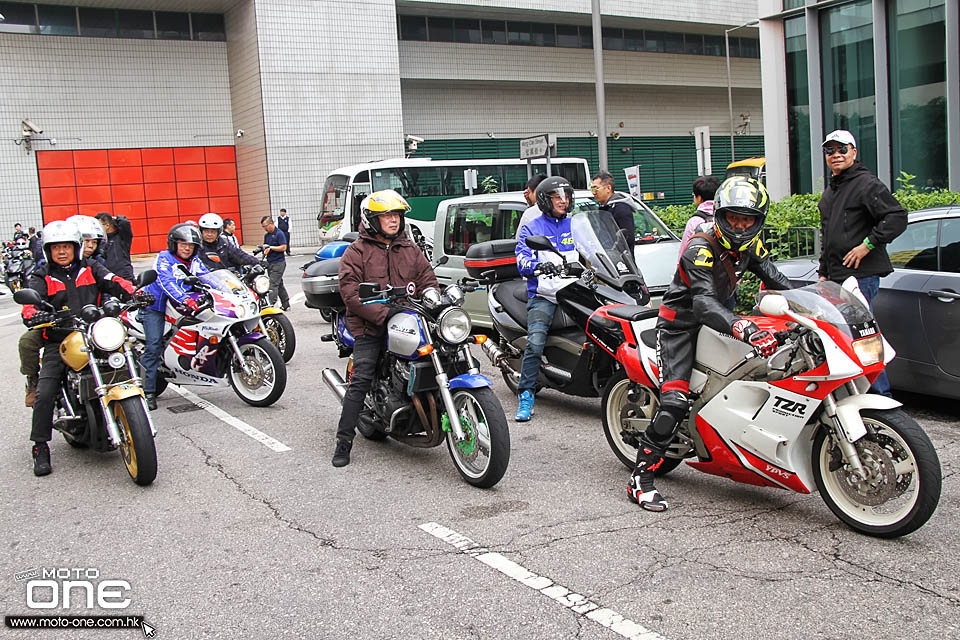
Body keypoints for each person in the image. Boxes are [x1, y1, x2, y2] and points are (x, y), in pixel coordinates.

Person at [629, 177, 792, 512]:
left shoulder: (751, 246)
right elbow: (703, 303)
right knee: (674, 400)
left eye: (748, 220)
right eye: (734, 218)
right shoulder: (699, 248)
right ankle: (640, 479)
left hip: (721, 321)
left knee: (765, 372)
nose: (741, 226)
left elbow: (777, 279)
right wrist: (742, 326)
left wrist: (812, 306)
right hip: (681, 326)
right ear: (721, 215)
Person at [23, 220, 141, 476]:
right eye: (56, 248)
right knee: (45, 392)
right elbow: (31, 298)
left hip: (95, 334)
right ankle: (40, 446)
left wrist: (135, 293)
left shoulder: (91, 267)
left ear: (75, 248)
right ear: (48, 251)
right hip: (60, 339)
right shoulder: (41, 275)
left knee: (127, 361)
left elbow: (114, 280)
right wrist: (33, 313)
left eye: (66, 246)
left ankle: (132, 416)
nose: (62, 252)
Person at [333, 190, 439, 468]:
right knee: (362, 378)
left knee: (449, 354)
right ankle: (343, 441)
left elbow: (428, 279)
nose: (393, 221)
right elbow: (350, 293)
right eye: (386, 216)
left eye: (397, 215)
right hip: (371, 323)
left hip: (408, 318)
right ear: (371, 220)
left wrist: (434, 299)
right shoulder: (357, 252)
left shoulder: (410, 249)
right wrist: (382, 313)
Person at [817, 130, 907, 398]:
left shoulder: (866, 183)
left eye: (842, 149)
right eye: (830, 150)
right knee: (845, 340)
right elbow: (829, 236)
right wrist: (823, 272)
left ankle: (881, 399)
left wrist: (867, 245)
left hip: (860, 277)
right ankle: (857, 399)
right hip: (835, 276)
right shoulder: (832, 191)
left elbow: (896, 217)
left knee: (863, 339)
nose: (836, 155)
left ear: (854, 153)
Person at [514, 176, 579, 422]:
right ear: (544, 200)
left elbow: (593, 250)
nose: (564, 201)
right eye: (557, 197)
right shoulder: (532, 228)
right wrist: (538, 266)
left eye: (567, 196)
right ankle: (526, 393)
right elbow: (522, 260)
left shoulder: (576, 225)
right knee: (536, 342)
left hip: (575, 291)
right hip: (545, 294)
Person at [139, 224, 211, 411]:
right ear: (174, 244)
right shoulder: (164, 259)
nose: (187, 248)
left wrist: (228, 288)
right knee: (153, 345)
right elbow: (166, 281)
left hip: (181, 306)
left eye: (191, 245)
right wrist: (185, 298)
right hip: (156, 307)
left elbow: (208, 277)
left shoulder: (194, 261)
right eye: (183, 244)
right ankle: (147, 392)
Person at [591, 170, 636, 252]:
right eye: (592, 189)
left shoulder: (621, 208)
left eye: (596, 189)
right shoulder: (605, 208)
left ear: (608, 188)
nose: (594, 193)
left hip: (620, 261)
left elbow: (627, 239)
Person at [260, 216, 290, 310]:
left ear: (271, 223)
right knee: (279, 283)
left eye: (265, 226)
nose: (265, 228)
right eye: (263, 227)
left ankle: (270, 305)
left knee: (273, 284)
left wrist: (271, 247)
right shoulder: (267, 235)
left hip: (279, 262)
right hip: (270, 262)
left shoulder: (279, 233)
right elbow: (266, 247)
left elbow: (283, 247)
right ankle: (286, 303)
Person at [94, 212, 135, 281]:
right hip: (107, 278)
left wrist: (116, 218)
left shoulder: (122, 237)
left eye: (98, 226)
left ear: (107, 225)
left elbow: (125, 223)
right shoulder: (99, 241)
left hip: (124, 276)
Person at [514, 174, 548, 239]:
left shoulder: (530, 213)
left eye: (529, 192)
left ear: (537, 191)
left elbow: (519, 240)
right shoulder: (564, 209)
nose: (528, 195)